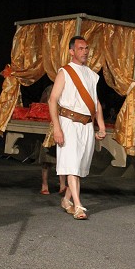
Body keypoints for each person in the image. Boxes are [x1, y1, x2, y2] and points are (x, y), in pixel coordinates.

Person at [47, 36, 106, 220]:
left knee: (79, 167)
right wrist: (57, 128)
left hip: (86, 125)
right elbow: (52, 100)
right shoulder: (65, 72)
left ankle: (66, 200)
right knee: (73, 166)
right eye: (81, 48)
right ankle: (78, 206)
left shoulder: (91, 75)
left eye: (86, 48)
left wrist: (101, 125)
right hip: (69, 123)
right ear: (72, 51)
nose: (85, 51)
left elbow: (95, 102)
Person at [38, 85, 67, 195]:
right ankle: (44, 184)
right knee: (46, 158)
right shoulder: (49, 88)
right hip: (48, 125)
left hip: (63, 123)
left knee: (62, 157)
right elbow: (41, 104)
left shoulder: (68, 87)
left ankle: (62, 185)